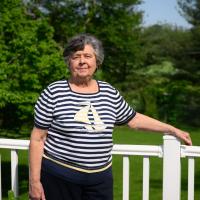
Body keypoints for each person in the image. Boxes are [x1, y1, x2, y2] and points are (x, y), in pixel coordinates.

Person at [29, 33, 192, 200]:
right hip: (60, 178)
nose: (82, 61)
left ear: (97, 61)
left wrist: (172, 129)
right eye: (76, 56)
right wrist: (34, 182)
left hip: (100, 181)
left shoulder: (108, 92)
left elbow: (134, 120)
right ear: (68, 62)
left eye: (87, 56)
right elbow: (37, 138)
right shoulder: (53, 92)